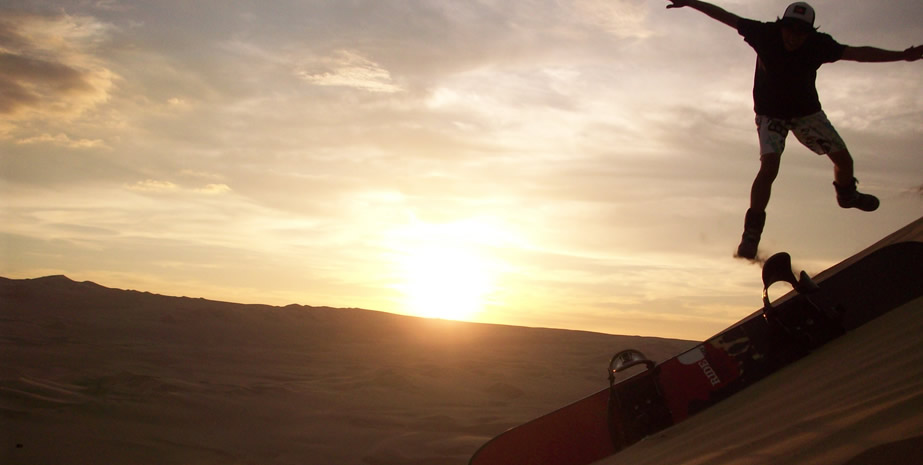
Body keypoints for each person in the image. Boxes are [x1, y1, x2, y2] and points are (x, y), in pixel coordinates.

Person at [666, 1, 923, 259]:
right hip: (771, 114)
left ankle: (846, 195)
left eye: (800, 33)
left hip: (805, 113)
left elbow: (858, 53)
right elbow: (726, 16)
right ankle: (751, 232)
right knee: (769, 167)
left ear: (809, 34)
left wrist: (902, 55)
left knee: (844, 160)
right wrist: (690, 2)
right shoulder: (764, 34)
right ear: (780, 27)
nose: (793, 37)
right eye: (789, 30)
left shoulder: (819, 45)